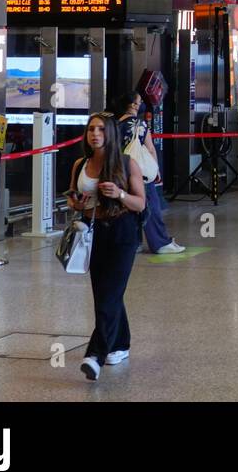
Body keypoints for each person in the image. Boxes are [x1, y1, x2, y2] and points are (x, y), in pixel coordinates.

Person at [66, 112, 147, 382]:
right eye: (91, 129)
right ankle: (120, 343)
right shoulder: (80, 164)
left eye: (101, 129)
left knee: (110, 294)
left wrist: (120, 194)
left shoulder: (126, 164)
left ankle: (95, 355)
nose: (95, 134)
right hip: (93, 232)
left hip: (122, 232)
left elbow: (140, 203)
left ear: (110, 134)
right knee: (105, 294)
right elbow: (73, 200)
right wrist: (76, 203)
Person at [113, 92, 185, 254]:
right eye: (139, 101)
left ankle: (135, 241)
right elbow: (150, 148)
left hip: (122, 170)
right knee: (151, 206)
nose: (141, 104)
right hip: (140, 171)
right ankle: (160, 243)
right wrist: (155, 169)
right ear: (133, 105)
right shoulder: (140, 124)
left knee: (130, 208)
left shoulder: (116, 125)